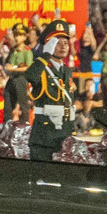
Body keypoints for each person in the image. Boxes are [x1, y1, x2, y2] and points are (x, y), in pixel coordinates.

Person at [27, 20, 76, 161]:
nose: (63, 47)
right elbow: (30, 76)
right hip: (44, 138)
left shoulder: (67, 71)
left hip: (64, 136)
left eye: (65, 43)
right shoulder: (42, 67)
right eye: (57, 43)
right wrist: (45, 55)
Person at [4, 23, 33, 123]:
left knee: (23, 104)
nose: (17, 38)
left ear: (25, 37)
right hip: (11, 79)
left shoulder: (27, 51)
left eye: (20, 35)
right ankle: (6, 128)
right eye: (16, 35)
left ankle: (25, 127)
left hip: (21, 79)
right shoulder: (13, 50)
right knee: (7, 105)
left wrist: (14, 68)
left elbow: (29, 67)